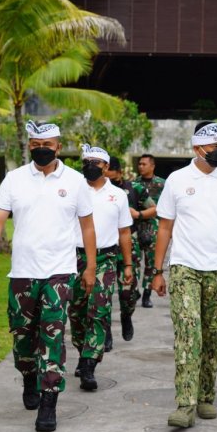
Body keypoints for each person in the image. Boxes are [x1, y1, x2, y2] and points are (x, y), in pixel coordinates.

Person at [0, 121, 97, 432]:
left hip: (59, 271)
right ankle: (29, 376)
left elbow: (87, 227)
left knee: (53, 335)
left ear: (59, 146)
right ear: (30, 146)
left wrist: (91, 267)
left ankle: (48, 400)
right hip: (22, 273)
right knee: (22, 335)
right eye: (35, 144)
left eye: (48, 144)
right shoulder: (14, 179)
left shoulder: (75, 181)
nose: (41, 149)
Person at [152, 121, 217, 428]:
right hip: (185, 267)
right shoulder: (177, 180)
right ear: (197, 148)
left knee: (213, 336)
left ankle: (206, 396)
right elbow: (165, 227)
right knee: (188, 333)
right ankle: (185, 404)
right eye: (213, 147)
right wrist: (157, 271)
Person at [69, 145, 134, 391]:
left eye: (96, 162)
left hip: (105, 259)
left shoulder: (118, 195)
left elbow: (125, 232)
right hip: (72, 258)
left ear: (107, 167)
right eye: (87, 161)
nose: (90, 166)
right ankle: (82, 350)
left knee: (98, 310)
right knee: (76, 313)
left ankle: (89, 364)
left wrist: (127, 265)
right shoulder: (73, 190)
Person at [104, 156, 157, 350]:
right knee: (104, 294)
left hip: (129, 245)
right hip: (105, 247)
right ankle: (106, 332)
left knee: (128, 293)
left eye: (107, 170)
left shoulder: (134, 189)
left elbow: (154, 208)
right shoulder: (95, 190)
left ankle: (127, 316)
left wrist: (139, 214)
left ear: (117, 171)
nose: (103, 174)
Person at [135, 154, 166, 308]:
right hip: (135, 227)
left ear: (152, 166)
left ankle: (147, 295)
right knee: (133, 261)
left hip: (154, 228)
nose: (141, 166)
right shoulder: (133, 184)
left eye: (144, 164)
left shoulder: (162, 184)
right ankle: (134, 290)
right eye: (139, 164)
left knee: (150, 263)